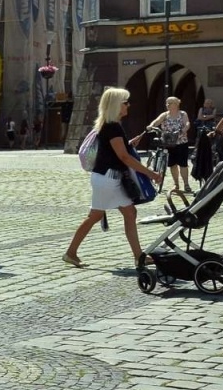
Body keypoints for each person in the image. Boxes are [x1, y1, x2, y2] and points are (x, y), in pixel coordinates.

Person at [64, 88, 164, 269]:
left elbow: (117, 151)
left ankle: (138, 256)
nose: (128, 106)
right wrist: (151, 173)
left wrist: (128, 144)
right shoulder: (113, 127)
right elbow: (124, 157)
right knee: (97, 215)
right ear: (117, 105)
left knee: (127, 213)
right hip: (108, 179)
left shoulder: (108, 125)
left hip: (106, 178)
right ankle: (71, 252)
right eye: (125, 102)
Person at [145, 97, 192, 195]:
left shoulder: (182, 114)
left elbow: (187, 123)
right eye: (167, 103)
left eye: (170, 103)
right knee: (172, 164)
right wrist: (151, 126)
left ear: (176, 104)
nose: (167, 105)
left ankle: (186, 184)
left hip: (181, 141)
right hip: (168, 142)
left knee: (183, 164)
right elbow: (157, 121)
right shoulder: (165, 115)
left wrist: (184, 129)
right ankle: (176, 184)